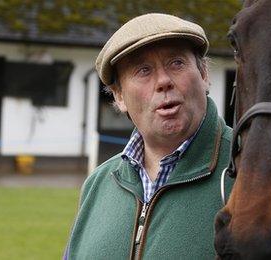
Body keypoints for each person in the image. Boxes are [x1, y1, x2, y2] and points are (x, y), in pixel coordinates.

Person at [64, 13, 232, 259]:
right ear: (119, 96)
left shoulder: (253, 170)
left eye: (176, 63)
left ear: (204, 74)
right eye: (143, 70)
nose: (163, 81)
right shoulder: (97, 184)